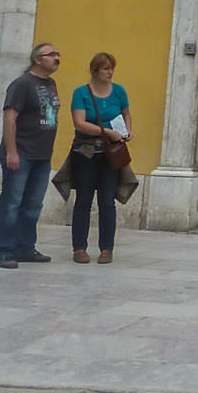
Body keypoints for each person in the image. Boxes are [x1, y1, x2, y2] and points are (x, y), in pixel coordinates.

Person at [0, 42, 62, 269]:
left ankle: (25, 248)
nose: (57, 58)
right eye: (51, 54)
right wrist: (12, 151)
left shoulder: (51, 84)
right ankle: (3, 251)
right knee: (11, 203)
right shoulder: (22, 84)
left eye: (57, 54)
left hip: (42, 155)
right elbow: (9, 118)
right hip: (21, 153)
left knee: (33, 204)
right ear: (37, 60)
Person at [67, 51, 131, 264]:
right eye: (105, 68)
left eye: (111, 68)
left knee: (107, 202)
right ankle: (79, 248)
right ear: (95, 71)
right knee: (84, 200)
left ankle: (106, 249)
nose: (110, 72)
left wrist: (127, 131)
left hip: (110, 154)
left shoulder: (119, 91)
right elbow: (80, 123)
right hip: (85, 153)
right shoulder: (81, 93)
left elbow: (126, 113)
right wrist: (106, 133)